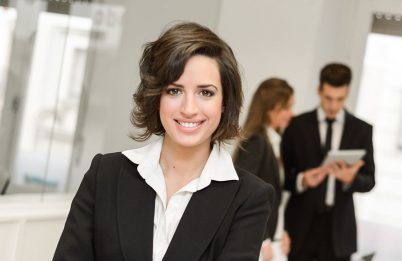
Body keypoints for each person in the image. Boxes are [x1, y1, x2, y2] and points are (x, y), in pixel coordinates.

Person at [53, 22, 274, 261]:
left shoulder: (249, 198)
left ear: (224, 103)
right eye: (174, 91)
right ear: (156, 97)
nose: (189, 108)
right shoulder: (105, 174)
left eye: (205, 92)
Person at [281, 63, 375, 261]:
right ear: (319, 90)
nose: (333, 106)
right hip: (300, 226)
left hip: (339, 230)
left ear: (347, 92)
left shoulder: (362, 130)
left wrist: (351, 179)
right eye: (328, 98)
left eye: (339, 99)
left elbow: (370, 181)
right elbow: (281, 178)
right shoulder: (296, 126)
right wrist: (302, 180)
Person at [234, 78, 294, 260]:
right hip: (259, 241)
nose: (291, 113)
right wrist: (263, 239)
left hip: (272, 239)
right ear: (269, 108)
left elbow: (274, 199)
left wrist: (281, 231)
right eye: (285, 108)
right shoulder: (257, 142)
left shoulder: (274, 142)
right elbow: (243, 193)